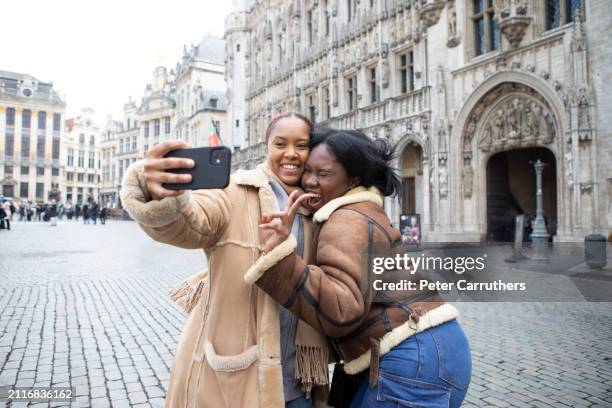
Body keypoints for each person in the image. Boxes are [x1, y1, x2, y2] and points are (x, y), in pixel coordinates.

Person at [247, 128, 472, 408]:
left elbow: (342, 309)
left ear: (352, 179)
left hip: (413, 357)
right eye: (307, 171)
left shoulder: (345, 219)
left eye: (323, 174)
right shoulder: (363, 211)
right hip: (434, 351)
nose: (309, 181)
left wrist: (281, 259)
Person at [120, 112, 329, 408]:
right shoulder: (234, 191)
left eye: (302, 145)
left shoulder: (315, 210)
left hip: (298, 383)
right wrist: (159, 194)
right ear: (266, 146)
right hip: (239, 381)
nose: (291, 154)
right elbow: (189, 223)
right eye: (280, 143)